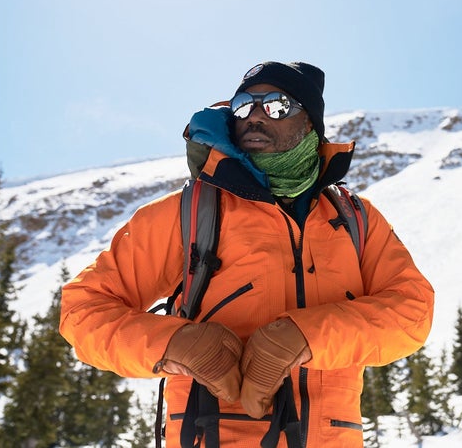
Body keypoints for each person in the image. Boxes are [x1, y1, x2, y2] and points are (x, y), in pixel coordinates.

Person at [59, 61, 435, 448]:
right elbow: (82, 310)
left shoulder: (355, 218)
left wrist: (306, 337)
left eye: (276, 106)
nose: (254, 117)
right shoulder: (189, 212)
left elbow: (412, 310)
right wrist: (175, 345)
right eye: (243, 106)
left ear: (310, 124)